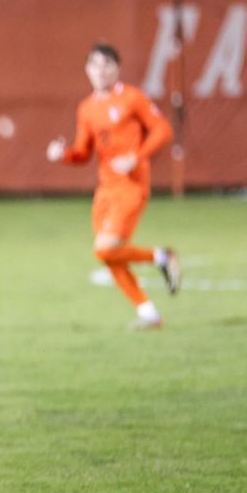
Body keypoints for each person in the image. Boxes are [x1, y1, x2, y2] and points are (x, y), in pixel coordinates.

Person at [46, 42, 182, 329]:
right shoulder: (87, 108)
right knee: (110, 256)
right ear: (87, 70)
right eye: (95, 65)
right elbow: (83, 153)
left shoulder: (133, 98)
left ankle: (162, 256)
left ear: (117, 69)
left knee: (105, 249)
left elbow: (163, 130)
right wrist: (65, 154)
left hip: (131, 186)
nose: (101, 70)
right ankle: (149, 314)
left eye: (107, 64)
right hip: (105, 190)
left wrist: (137, 157)